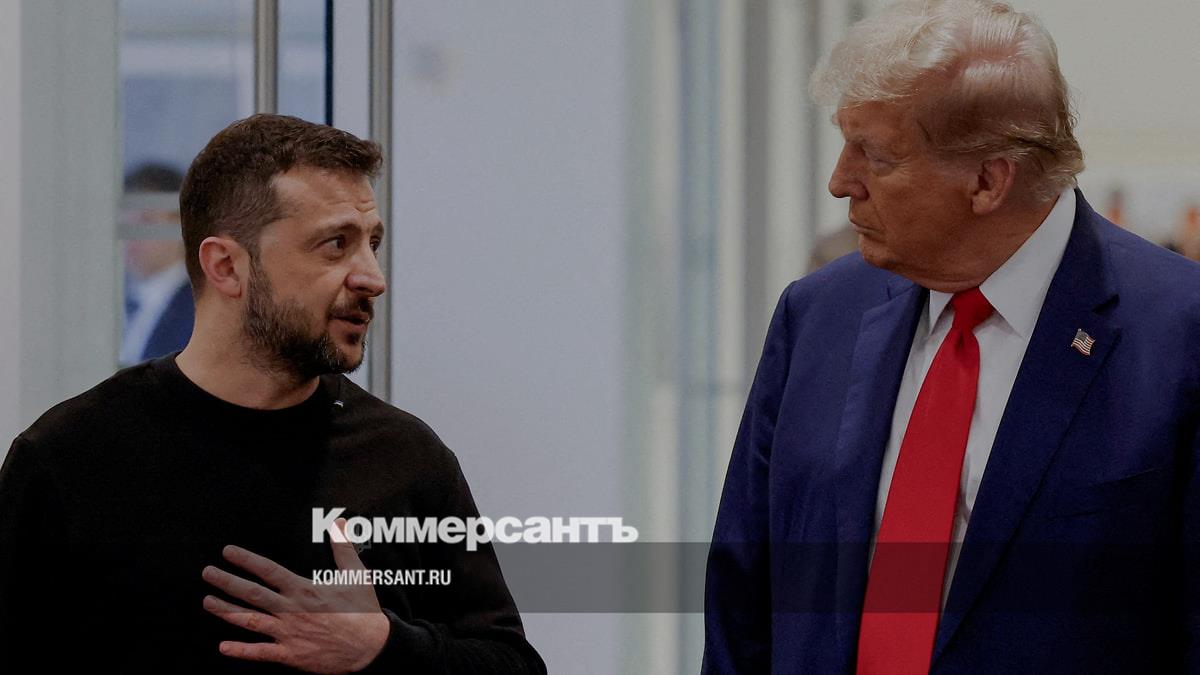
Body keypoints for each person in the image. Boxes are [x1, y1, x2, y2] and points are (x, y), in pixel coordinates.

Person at [704, 1, 1200, 673]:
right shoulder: (817, 316)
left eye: (875, 156)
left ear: (988, 181)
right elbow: (741, 607)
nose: (840, 183)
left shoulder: (1178, 336)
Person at [0, 114, 545, 674]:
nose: (372, 277)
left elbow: (512, 663)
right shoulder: (69, 459)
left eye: (373, 244)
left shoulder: (404, 458)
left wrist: (384, 647)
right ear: (226, 266)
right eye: (336, 244)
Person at [120, 162, 195, 365]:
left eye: (146, 220)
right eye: (124, 221)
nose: (131, 235)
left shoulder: (200, 310)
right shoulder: (110, 304)